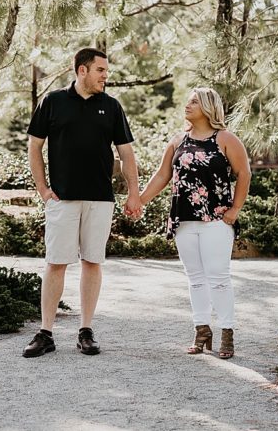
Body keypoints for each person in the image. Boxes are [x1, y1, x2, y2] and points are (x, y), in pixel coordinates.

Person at [22, 47, 143, 358]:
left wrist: (133, 192)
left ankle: (85, 331)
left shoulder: (112, 106)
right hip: (61, 199)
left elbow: (126, 153)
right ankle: (46, 333)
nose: (105, 76)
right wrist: (42, 189)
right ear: (82, 70)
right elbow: (34, 147)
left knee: (92, 262)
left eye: (106, 71)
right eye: (100, 70)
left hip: (100, 199)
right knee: (56, 263)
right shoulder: (53, 101)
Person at [138, 87, 250, 359]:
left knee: (218, 277)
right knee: (195, 279)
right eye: (187, 101)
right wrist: (139, 201)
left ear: (209, 107)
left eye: (194, 102)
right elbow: (162, 175)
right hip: (184, 219)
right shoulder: (178, 141)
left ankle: (226, 333)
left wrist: (235, 209)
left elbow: (244, 173)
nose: (187, 106)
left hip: (216, 220)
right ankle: (201, 330)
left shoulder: (225, 139)